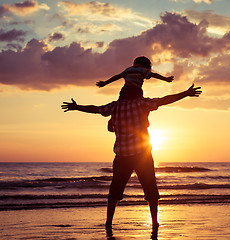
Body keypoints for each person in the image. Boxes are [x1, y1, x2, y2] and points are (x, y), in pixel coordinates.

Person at [61, 84, 202, 239]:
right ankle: (155, 222)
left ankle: (108, 222)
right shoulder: (141, 103)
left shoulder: (114, 106)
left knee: (115, 191)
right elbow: (164, 100)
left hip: (122, 155)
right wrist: (186, 93)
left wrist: (76, 106)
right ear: (138, 95)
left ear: (122, 94)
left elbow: (95, 109)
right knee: (151, 191)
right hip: (142, 155)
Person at [96, 56, 174, 132]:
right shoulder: (143, 70)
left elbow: (116, 77)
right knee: (142, 106)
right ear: (146, 65)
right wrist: (165, 79)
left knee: (119, 106)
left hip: (125, 90)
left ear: (135, 63)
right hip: (136, 90)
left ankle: (112, 120)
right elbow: (154, 75)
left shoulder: (128, 69)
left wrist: (105, 83)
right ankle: (144, 119)